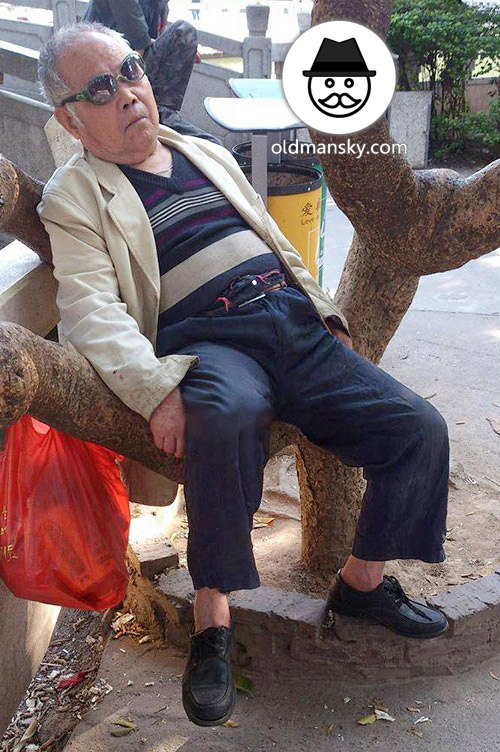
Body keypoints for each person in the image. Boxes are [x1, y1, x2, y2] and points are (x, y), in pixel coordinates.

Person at [37, 23, 450, 729]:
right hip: (207, 340)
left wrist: (321, 306)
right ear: (70, 118)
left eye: (129, 70)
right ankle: (213, 624)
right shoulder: (73, 196)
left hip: (290, 322)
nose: (128, 92)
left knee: (418, 429)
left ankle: (362, 584)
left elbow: (269, 230)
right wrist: (156, 390)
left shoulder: (194, 145)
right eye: (101, 88)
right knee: (223, 420)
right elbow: (91, 310)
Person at [83, 0, 207, 138]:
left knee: (184, 38)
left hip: (128, 66)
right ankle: (161, 114)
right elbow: (138, 47)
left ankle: (164, 112)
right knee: (184, 30)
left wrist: (179, 46)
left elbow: (153, 37)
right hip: (106, 74)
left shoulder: (158, 4)